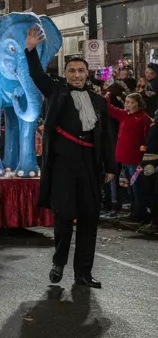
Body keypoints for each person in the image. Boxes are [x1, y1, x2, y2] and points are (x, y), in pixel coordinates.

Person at [25, 27, 116, 288]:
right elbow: (36, 75)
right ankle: (58, 263)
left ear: (87, 74)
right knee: (64, 217)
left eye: (81, 71)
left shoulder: (99, 102)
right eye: (72, 71)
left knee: (89, 219)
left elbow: (107, 136)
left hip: (90, 164)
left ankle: (83, 274)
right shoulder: (56, 92)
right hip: (63, 164)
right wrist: (30, 50)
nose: (77, 75)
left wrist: (110, 166)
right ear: (66, 74)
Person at [106, 92, 153, 221]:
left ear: (138, 103)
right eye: (127, 102)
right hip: (123, 156)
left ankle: (140, 212)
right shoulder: (124, 115)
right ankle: (133, 211)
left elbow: (148, 138)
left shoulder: (144, 118)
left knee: (137, 186)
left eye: (132, 102)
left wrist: (143, 154)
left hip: (135, 158)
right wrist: (107, 98)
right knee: (129, 187)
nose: (129, 105)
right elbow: (110, 110)